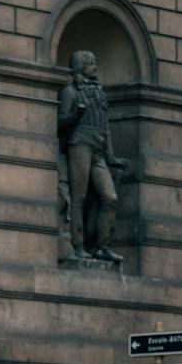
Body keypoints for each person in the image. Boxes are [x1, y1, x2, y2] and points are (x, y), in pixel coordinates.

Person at [56, 50, 128, 261]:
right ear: (80, 67)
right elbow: (60, 123)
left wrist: (111, 157)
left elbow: (105, 128)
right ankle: (77, 245)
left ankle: (102, 245)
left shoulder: (100, 93)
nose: (95, 67)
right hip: (79, 145)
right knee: (78, 197)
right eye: (90, 64)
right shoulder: (70, 91)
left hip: (98, 149)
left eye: (95, 63)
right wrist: (75, 115)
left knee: (110, 198)